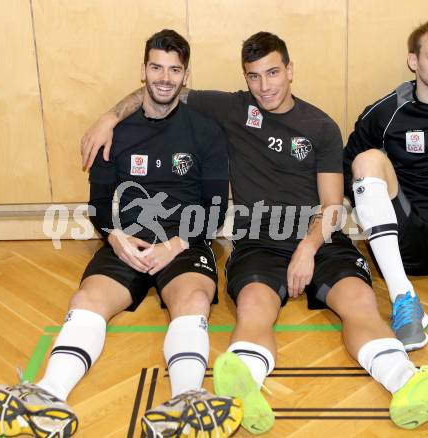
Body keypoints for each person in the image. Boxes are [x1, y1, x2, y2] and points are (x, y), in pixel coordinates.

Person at [81, 31, 428, 434]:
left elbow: (333, 206)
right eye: (254, 76)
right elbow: (163, 88)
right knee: (253, 311)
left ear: (290, 70)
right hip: (258, 242)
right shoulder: (232, 109)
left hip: (319, 239)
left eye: (273, 73)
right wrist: (110, 117)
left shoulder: (320, 126)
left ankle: (405, 381)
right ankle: (245, 388)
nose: (265, 86)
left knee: (360, 304)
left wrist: (307, 249)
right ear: (245, 78)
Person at [0, 30, 243, 438]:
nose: (164, 77)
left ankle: (188, 401)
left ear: (185, 75)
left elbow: (215, 207)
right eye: (156, 67)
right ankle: (47, 397)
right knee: (86, 298)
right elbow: (100, 204)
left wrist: (175, 244)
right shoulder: (115, 132)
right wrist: (113, 236)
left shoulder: (205, 131)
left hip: (183, 238)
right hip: (127, 238)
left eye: (174, 69)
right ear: (142, 71)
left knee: (194, 298)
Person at [343, 21, 428, 352]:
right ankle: (403, 297)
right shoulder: (387, 111)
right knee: (366, 161)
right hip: (407, 237)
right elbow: (347, 168)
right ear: (414, 61)